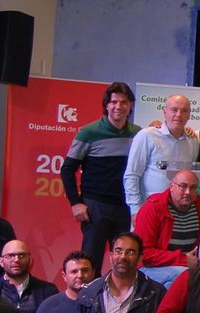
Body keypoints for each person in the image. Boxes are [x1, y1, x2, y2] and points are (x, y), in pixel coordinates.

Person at [61, 81, 142, 261]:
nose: (118, 107)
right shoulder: (88, 132)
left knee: (124, 261)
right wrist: (75, 203)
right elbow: (67, 169)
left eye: (124, 102)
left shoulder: (138, 134)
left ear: (130, 106)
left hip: (125, 207)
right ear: (106, 105)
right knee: (91, 261)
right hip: (95, 207)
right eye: (114, 102)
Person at [125, 94, 199, 213]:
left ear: (189, 114)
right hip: (150, 210)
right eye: (174, 110)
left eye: (184, 111)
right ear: (165, 112)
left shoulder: (193, 141)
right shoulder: (147, 136)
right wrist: (135, 210)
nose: (179, 115)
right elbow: (132, 175)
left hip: (181, 212)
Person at [131, 169, 200, 286]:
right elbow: (142, 252)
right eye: (183, 186)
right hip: (148, 267)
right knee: (187, 275)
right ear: (171, 186)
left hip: (186, 266)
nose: (188, 192)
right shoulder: (152, 208)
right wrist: (183, 259)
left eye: (193, 188)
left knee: (172, 285)